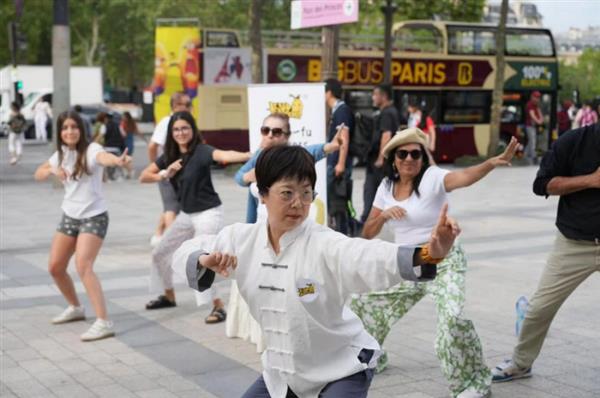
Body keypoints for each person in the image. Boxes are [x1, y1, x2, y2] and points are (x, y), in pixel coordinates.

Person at [172, 144, 461, 398]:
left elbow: (370, 256)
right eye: (286, 193)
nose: (298, 203)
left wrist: (429, 253)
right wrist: (203, 259)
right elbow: (184, 251)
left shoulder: (325, 243)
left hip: (342, 367)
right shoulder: (240, 240)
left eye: (306, 193)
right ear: (262, 194)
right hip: (285, 373)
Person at [350, 127, 518, 398]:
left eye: (415, 154)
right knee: (362, 303)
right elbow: (367, 233)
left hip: (444, 260)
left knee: (451, 321)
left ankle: (473, 384)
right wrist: (383, 217)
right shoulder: (386, 187)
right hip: (409, 263)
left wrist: (490, 163)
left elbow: (463, 177)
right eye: (402, 153)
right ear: (394, 159)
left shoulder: (432, 177)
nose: (408, 159)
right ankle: (374, 357)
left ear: (422, 158)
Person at [491, 122, 600, 383]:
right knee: (539, 309)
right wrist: (591, 180)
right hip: (574, 244)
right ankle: (520, 363)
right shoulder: (573, 141)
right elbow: (541, 184)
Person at [139, 111, 250, 323]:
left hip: (209, 213)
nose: (181, 133)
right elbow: (143, 176)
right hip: (187, 215)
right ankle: (169, 295)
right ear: (171, 133)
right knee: (160, 253)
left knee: (203, 258)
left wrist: (248, 155)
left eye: (185, 128)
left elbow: (223, 155)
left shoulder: (201, 151)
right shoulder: (169, 157)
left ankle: (218, 307)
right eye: (176, 129)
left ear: (193, 130)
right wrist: (165, 173)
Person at [33, 111, 131, 341]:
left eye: (74, 127)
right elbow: (38, 173)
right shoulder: (60, 155)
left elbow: (104, 158)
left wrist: (118, 161)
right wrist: (51, 170)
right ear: (59, 132)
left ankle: (104, 322)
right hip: (70, 216)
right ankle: (75, 308)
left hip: (94, 216)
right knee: (55, 267)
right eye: (65, 127)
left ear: (81, 129)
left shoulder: (92, 150)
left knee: (83, 264)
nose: (70, 131)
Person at [234, 112, 343, 223]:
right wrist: (249, 176)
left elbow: (312, 151)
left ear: (287, 136)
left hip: (288, 227)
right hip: (261, 228)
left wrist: (330, 147)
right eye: (265, 130)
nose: (270, 135)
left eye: (276, 132)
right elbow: (239, 178)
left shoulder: (291, 158)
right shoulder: (258, 157)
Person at [147, 92, 192, 247]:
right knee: (172, 207)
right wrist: (156, 166)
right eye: (183, 105)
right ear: (175, 106)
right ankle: (173, 243)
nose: (187, 108)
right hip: (167, 172)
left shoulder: (186, 122)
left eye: (189, 105)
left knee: (172, 205)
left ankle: (159, 234)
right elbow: (152, 145)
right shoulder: (167, 122)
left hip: (182, 172)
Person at [361, 83, 399, 223]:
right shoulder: (389, 111)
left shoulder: (387, 113)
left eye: (375, 94)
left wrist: (380, 158)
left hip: (379, 163)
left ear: (383, 96)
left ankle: (368, 220)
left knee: (371, 190)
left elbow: (386, 135)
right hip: (383, 162)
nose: (373, 97)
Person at [324, 78, 355, 235]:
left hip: (337, 164)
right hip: (334, 163)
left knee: (339, 203)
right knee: (336, 202)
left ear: (328, 92)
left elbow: (344, 136)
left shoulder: (342, 110)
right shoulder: (338, 110)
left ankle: (345, 234)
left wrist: (340, 163)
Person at [120, 111, 146, 178]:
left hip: (126, 140)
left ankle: (129, 171)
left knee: (125, 157)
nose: (122, 117)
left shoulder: (125, 123)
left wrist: (143, 138)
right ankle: (129, 172)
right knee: (125, 157)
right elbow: (137, 131)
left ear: (126, 116)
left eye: (123, 116)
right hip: (128, 140)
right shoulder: (129, 122)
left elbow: (136, 131)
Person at [524, 91, 543, 164]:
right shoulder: (530, 105)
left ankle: (525, 156)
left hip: (534, 127)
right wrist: (539, 121)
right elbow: (532, 115)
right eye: (536, 97)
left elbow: (539, 113)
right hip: (530, 126)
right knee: (533, 142)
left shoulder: (536, 105)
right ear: (532, 97)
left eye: (538, 97)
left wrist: (541, 120)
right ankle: (533, 159)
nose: (537, 99)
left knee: (531, 142)